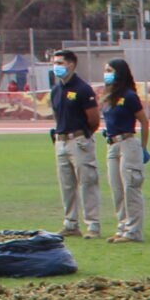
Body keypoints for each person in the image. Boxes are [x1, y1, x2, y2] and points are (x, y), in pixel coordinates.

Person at [46, 49, 100, 238]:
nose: (56, 67)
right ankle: (70, 224)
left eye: (60, 63)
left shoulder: (82, 89)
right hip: (61, 140)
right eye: (55, 63)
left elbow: (93, 119)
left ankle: (92, 225)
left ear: (71, 64)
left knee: (87, 183)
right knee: (67, 185)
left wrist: (82, 136)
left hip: (78, 140)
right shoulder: (56, 90)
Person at [100, 58, 150, 243]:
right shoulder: (108, 96)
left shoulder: (129, 96)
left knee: (131, 187)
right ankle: (122, 227)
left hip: (127, 142)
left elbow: (144, 121)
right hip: (112, 144)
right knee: (117, 189)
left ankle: (134, 231)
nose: (106, 73)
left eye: (110, 70)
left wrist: (143, 147)